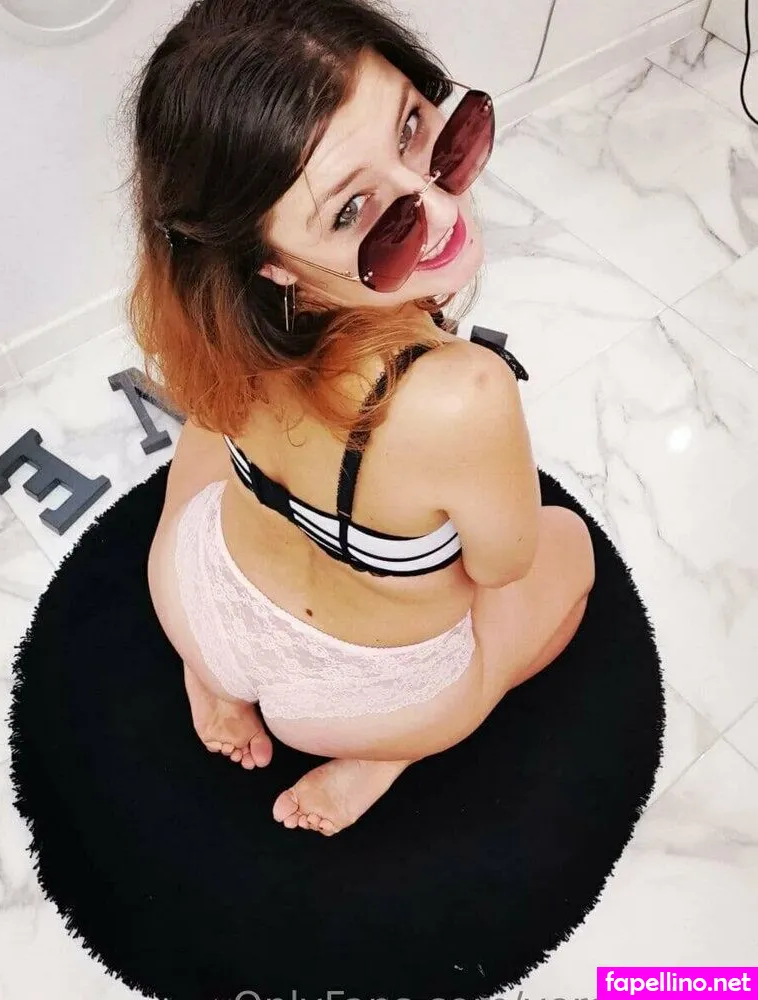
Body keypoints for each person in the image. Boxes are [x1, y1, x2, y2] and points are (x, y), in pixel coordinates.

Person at [138, 0, 595, 837]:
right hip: (356, 709)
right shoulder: (464, 393)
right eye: (353, 212)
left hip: (197, 607)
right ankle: (389, 755)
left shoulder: (216, 315)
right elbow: (501, 566)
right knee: (570, 552)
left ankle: (210, 674)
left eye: (415, 129)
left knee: (208, 429)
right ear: (271, 263)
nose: (439, 208)